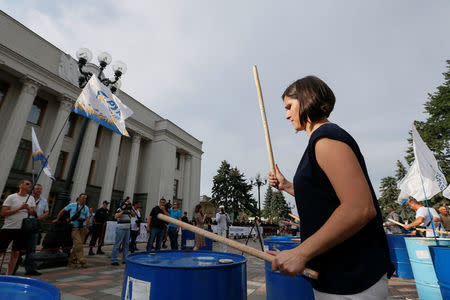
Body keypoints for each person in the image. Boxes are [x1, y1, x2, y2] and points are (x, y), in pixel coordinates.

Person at [268, 76, 394, 298]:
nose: (286, 115)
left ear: (306, 99)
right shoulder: (319, 141)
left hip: (353, 278)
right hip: (335, 276)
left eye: (289, 106)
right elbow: (325, 197)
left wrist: (300, 252)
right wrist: (287, 185)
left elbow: (359, 208)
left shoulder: (326, 140)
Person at [0, 179, 36, 275]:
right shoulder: (11, 197)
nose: (29, 186)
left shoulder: (31, 198)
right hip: (9, 228)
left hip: (22, 229)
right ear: (20, 185)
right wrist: (20, 208)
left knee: (16, 253)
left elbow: (33, 212)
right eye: (27, 184)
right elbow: (3, 213)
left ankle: (9, 275)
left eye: (30, 185)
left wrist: (27, 208)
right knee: (1, 251)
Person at [53, 193, 90, 268]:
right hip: (74, 227)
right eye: (83, 198)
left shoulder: (86, 208)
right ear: (79, 198)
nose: (84, 199)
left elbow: (87, 218)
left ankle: (71, 260)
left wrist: (87, 227)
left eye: (85, 198)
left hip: (82, 227)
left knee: (78, 245)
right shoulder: (72, 205)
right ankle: (82, 260)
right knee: (78, 243)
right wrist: (57, 218)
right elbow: (62, 210)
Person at [23, 183, 48, 276]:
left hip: (35, 226)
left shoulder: (44, 200)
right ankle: (14, 267)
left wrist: (39, 219)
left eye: (40, 189)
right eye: (37, 189)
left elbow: (46, 212)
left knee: (32, 249)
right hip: (24, 224)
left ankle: (30, 269)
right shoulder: (28, 198)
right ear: (33, 190)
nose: (39, 191)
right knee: (18, 248)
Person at [111, 199, 134, 265]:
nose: (127, 205)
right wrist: (123, 210)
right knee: (118, 244)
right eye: (127, 204)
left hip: (127, 229)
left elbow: (133, 215)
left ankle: (125, 259)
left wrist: (131, 208)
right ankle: (114, 260)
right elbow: (116, 217)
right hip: (120, 229)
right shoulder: (119, 209)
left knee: (126, 245)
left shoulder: (129, 210)